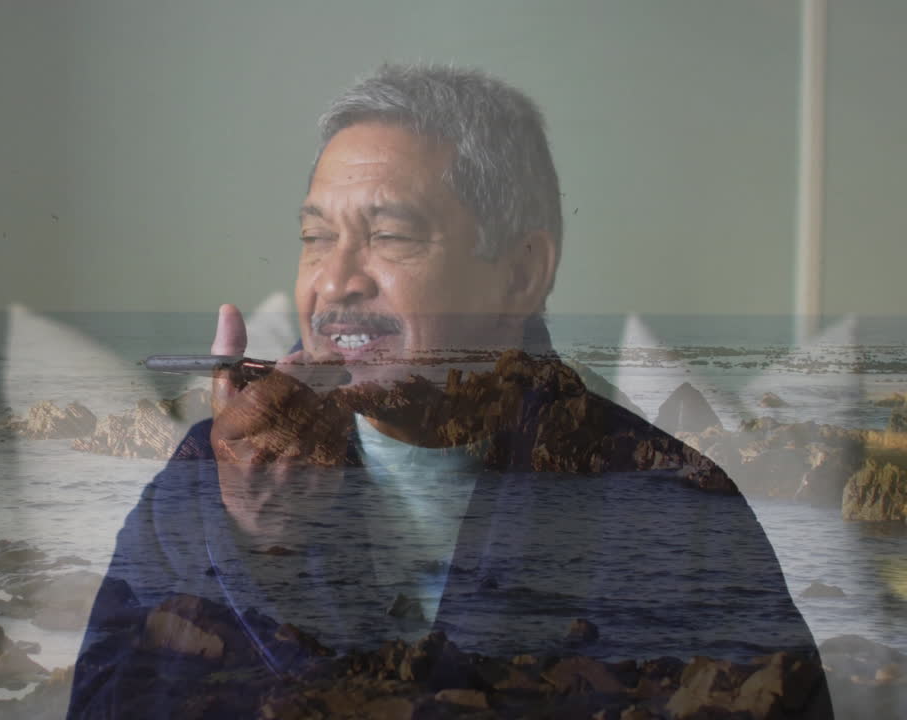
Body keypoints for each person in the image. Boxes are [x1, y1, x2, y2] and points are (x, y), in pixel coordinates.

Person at [68, 64, 832, 719]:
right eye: (315, 237)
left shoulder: (674, 510)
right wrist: (258, 545)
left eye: (390, 235)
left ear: (522, 272)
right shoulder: (214, 476)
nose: (334, 280)